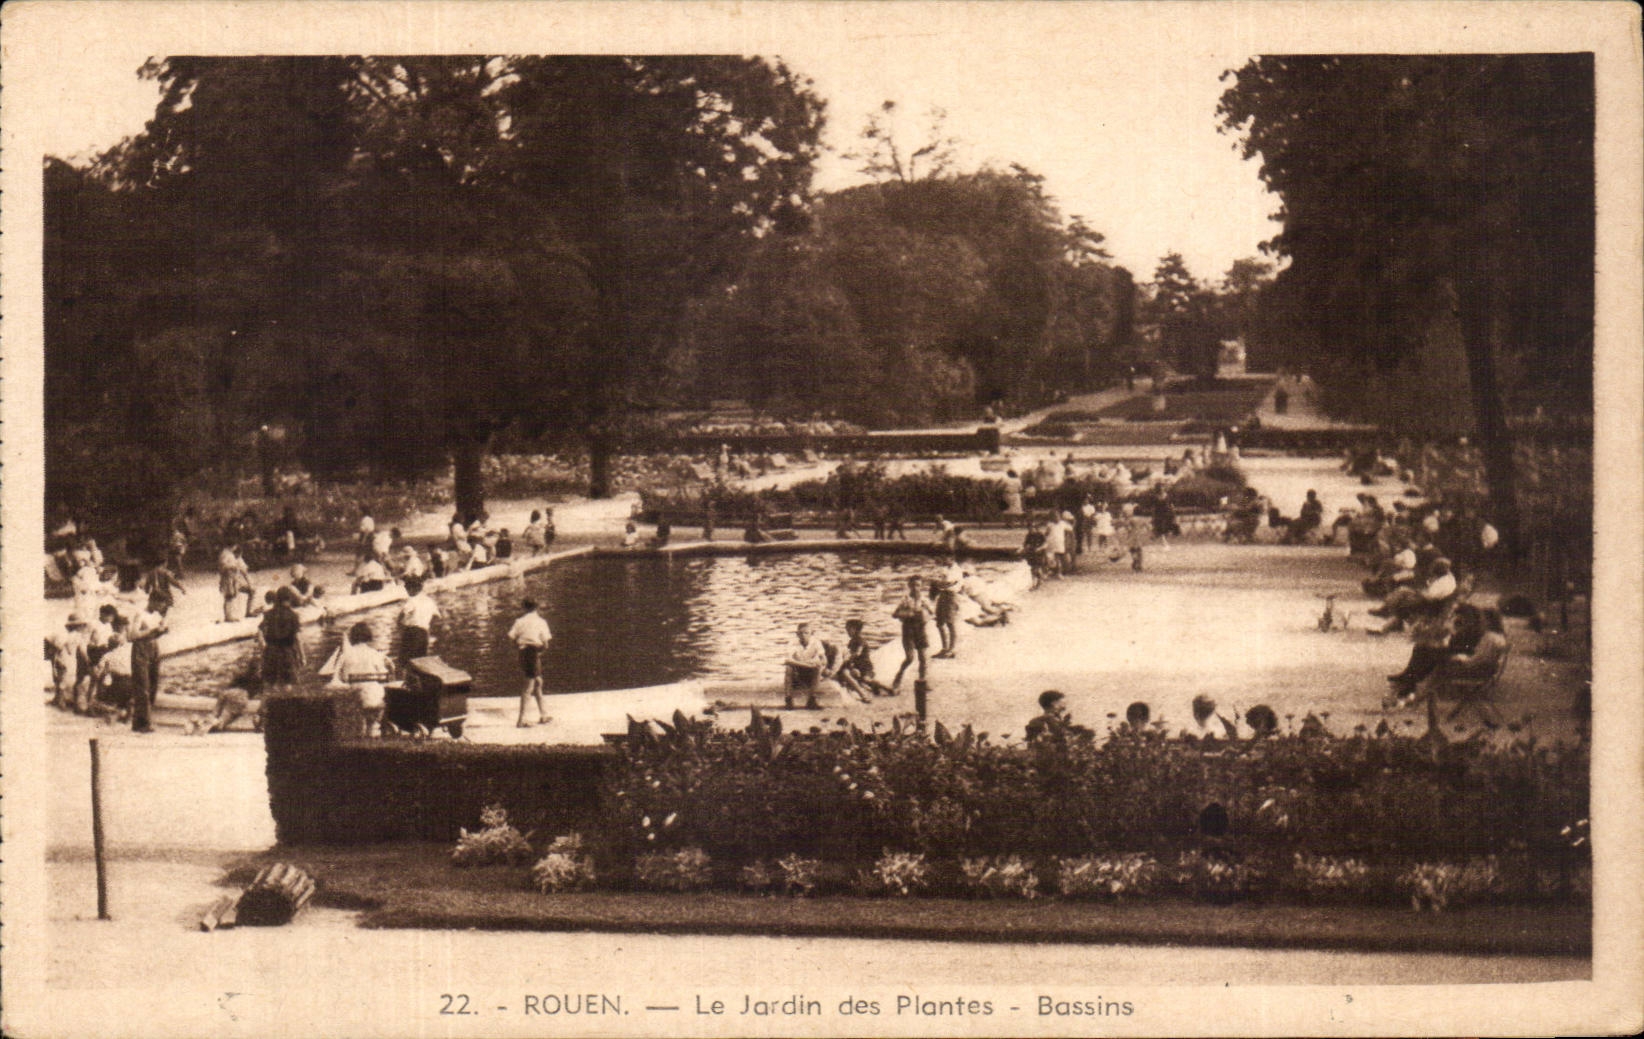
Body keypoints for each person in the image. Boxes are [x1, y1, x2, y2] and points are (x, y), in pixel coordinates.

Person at [335, 622, 394, 737]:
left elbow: (342, 678)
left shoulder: (345, 655)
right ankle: (372, 729)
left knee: (359, 701)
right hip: (374, 698)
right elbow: (383, 675)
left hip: (354, 698)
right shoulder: (374, 654)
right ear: (368, 636)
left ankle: (362, 731)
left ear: (352, 637)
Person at [1369, 558, 1458, 634]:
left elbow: (1430, 596)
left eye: (1436, 567)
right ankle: (1389, 616)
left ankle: (1387, 614)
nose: (1433, 570)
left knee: (1403, 597)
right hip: (1431, 601)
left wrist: (1419, 593)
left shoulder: (1444, 582)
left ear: (1441, 569)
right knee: (1403, 592)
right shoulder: (1447, 578)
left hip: (1431, 604)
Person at [506, 599, 554, 728]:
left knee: (538, 682)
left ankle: (544, 715)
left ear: (524, 607)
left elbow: (511, 638)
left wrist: (518, 648)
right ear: (537, 608)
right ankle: (521, 720)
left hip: (523, 653)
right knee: (528, 687)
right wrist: (539, 653)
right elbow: (546, 644)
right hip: (533, 653)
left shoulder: (519, 621)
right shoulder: (541, 622)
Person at [127, 591, 169, 733]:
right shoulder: (141, 614)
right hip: (141, 648)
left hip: (153, 647)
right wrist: (152, 630)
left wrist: (162, 631)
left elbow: (156, 632)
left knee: (153, 684)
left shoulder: (157, 615)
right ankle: (144, 722)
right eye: (160, 604)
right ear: (153, 601)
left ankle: (140, 721)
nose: (162, 607)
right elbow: (132, 635)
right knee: (142, 685)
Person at [258, 587, 305, 693]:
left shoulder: (268, 614)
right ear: (290, 599)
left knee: (269, 683)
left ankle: (269, 705)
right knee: (287, 683)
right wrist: (302, 656)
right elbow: (298, 638)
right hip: (287, 652)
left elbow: (260, 630)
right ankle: (285, 705)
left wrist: (262, 645)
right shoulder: (293, 616)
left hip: (270, 652)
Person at [890, 575, 932, 693]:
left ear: (921, 586)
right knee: (909, 658)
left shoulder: (924, 600)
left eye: (918, 585)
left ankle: (923, 681)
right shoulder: (905, 600)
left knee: (923, 658)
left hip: (921, 629)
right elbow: (894, 614)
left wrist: (926, 616)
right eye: (913, 585)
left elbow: (932, 613)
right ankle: (898, 677)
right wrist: (906, 614)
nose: (915, 588)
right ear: (909, 586)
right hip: (908, 630)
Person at [783, 622, 836, 709]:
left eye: (806, 633)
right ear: (797, 634)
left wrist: (820, 663)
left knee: (818, 668)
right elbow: (787, 660)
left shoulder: (816, 642)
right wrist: (807, 665)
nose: (803, 635)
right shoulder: (792, 643)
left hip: (810, 672)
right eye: (800, 633)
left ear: (812, 633)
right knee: (788, 668)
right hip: (798, 671)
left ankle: (811, 700)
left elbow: (824, 659)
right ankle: (788, 700)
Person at [835, 619, 892, 700]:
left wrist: (849, 657)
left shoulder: (860, 640)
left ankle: (888, 689)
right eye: (846, 629)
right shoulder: (851, 641)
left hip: (865, 667)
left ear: (855, 629)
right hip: (857, 666)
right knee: (857, 677)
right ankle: (874, 688)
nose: (847, 631)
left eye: (848, 629)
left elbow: (858, 652)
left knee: (866, 679)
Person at [398, 577, 440, 664]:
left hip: (411, 632)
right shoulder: (429, 601)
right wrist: (428, 626)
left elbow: (402, 615)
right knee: (420, 659)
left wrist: (400, 628)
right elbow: (436, 616)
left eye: (407, 589)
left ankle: (406, 676)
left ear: (413, 589)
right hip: (424, 632)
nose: (407, 592)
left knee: (406, 659)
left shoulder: (412, 600)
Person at [1024, 690, 1093, 742]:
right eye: (1062, 700)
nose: (1065, 703)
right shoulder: (1044, 721)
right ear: (1054, 703)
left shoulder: (1058, 720)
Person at [933, 560, 964, 659]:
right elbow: (939, 583)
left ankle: (952, 649)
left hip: (951, 595)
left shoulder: (956, 570)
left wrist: (938, 583)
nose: (943, 558)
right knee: (939, 623)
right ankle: (945, 648)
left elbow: (947, 583)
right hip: (943, 595)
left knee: (950, 623)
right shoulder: (944, 568)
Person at [218, 544, 253, 622]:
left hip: (233, 579)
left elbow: (244, 570)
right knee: (229, 597)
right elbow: (223, 567)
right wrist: (233, 566)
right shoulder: (226, 554)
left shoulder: (231, 555)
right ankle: (228, 616)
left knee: (231, 596)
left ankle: (230, 615)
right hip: (228, 578)